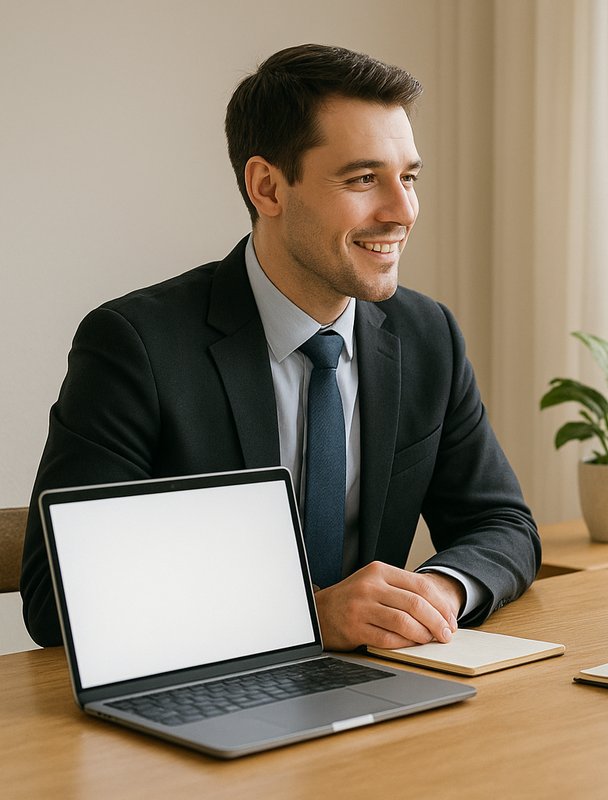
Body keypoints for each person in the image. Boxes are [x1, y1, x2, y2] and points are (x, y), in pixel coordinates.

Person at [20, 44, 540, 651]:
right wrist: (306, 617)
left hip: (383, 684)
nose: (403, 211)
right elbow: (56, 596)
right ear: (267, 187)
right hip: (212, 691)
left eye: (409, 178)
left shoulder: (428, 335)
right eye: (364, 179)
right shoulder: (136, 346)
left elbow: (502, 524)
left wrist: (438, 592)